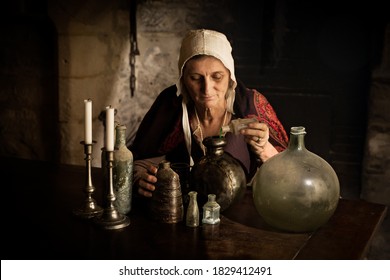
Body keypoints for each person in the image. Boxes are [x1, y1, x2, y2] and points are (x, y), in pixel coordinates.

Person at [130, 29, 289, 198]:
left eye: (217, 77)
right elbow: (139, 160)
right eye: (195, 78)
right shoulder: (171, 104)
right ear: (183, 79)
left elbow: (289, 173)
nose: (207, 88)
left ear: (230, 76)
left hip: (239, 207)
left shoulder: (251, 106)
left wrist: (264, 149)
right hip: (184, 207)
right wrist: (139, 177)